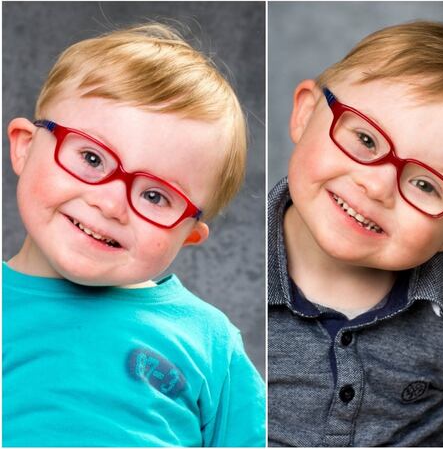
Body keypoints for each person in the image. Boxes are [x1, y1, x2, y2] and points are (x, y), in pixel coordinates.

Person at [3, 23, 265, 446]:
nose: (110, 204)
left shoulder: (211, 343)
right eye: (91, 157)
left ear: (189, 236)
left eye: (156, 196)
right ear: (24, 146)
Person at [267, 21, 443, 446]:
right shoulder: (240, 273)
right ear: (305, 113)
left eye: (426, 185)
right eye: (365, 139)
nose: (377, 187)